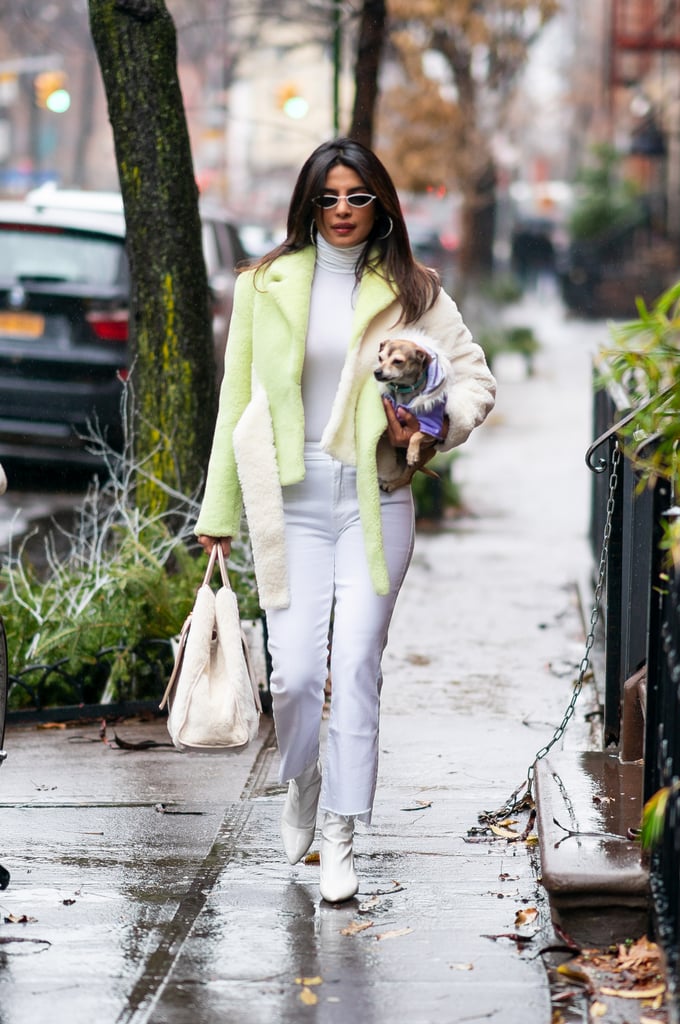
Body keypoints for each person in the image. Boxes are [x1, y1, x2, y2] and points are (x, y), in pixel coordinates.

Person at [195, 138, 496, 904]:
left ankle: (341, 835)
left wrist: (429, 425)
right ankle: (301, 783)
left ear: (379, 205)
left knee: (356, 668)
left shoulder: (412, 287)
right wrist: (218, 509)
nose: (341, 211)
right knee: (295, 677)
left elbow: (472, 379)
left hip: (374, 501)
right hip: (288, 507)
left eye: (356, 197)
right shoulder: (265, 284)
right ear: (306, 204)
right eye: (327, 197)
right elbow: (238, 403)